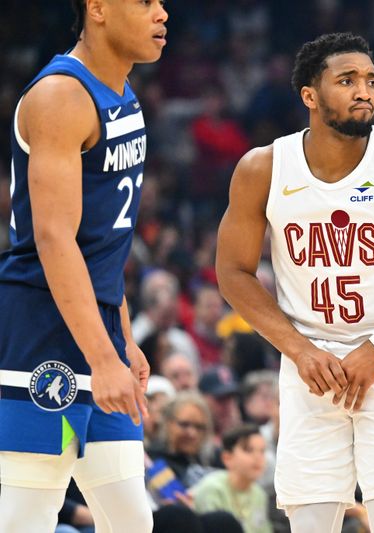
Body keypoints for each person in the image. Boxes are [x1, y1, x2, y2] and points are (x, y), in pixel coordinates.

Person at [215, 32, 374, 533]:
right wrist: (298, 350)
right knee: (310, 518)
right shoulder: (263, 168)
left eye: (372, 81)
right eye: (348, 80)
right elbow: (232, 273)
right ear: (309, 96)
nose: (365, 91)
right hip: (310, 362)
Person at [0, 1, 168, 532]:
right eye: (145, 1)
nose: (162, 13)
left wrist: (120, 338)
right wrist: (103, 358)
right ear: (97, 7)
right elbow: (54, 240)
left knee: (130, 520)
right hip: (42, 332)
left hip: (95, 331)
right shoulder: (60, 96)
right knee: (29, 516)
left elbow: (103, 246)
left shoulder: (124, 97)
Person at [191, 424, 272, 533]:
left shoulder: (259, 494)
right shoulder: (212, 488)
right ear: (227, 458)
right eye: (248, 450)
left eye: (262, 451)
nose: (258, 457)